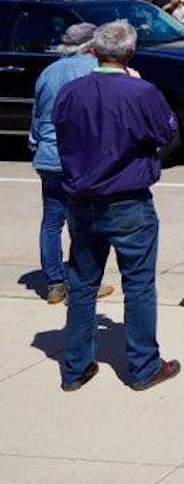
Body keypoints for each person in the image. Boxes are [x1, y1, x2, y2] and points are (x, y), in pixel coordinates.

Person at [54, 21, 181, 392]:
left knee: (82, 282)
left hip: (82, 199)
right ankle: (143, 365)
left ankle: (76, 366)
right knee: (138, 284)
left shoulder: (71, 92)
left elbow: (59, 132)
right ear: (128, 53)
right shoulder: (140, 91)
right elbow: (166, 132)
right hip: (127, 200)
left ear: (95, 50)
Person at [30, 23, 111, 305]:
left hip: (48, 155)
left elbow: (37, 118)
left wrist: (36, 145)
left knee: (51, 222)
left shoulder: (48, 72)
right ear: (91, 46)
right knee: (84, 224)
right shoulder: (92, 70)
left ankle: (54, 283)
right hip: (79, 159)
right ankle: (82, 282)